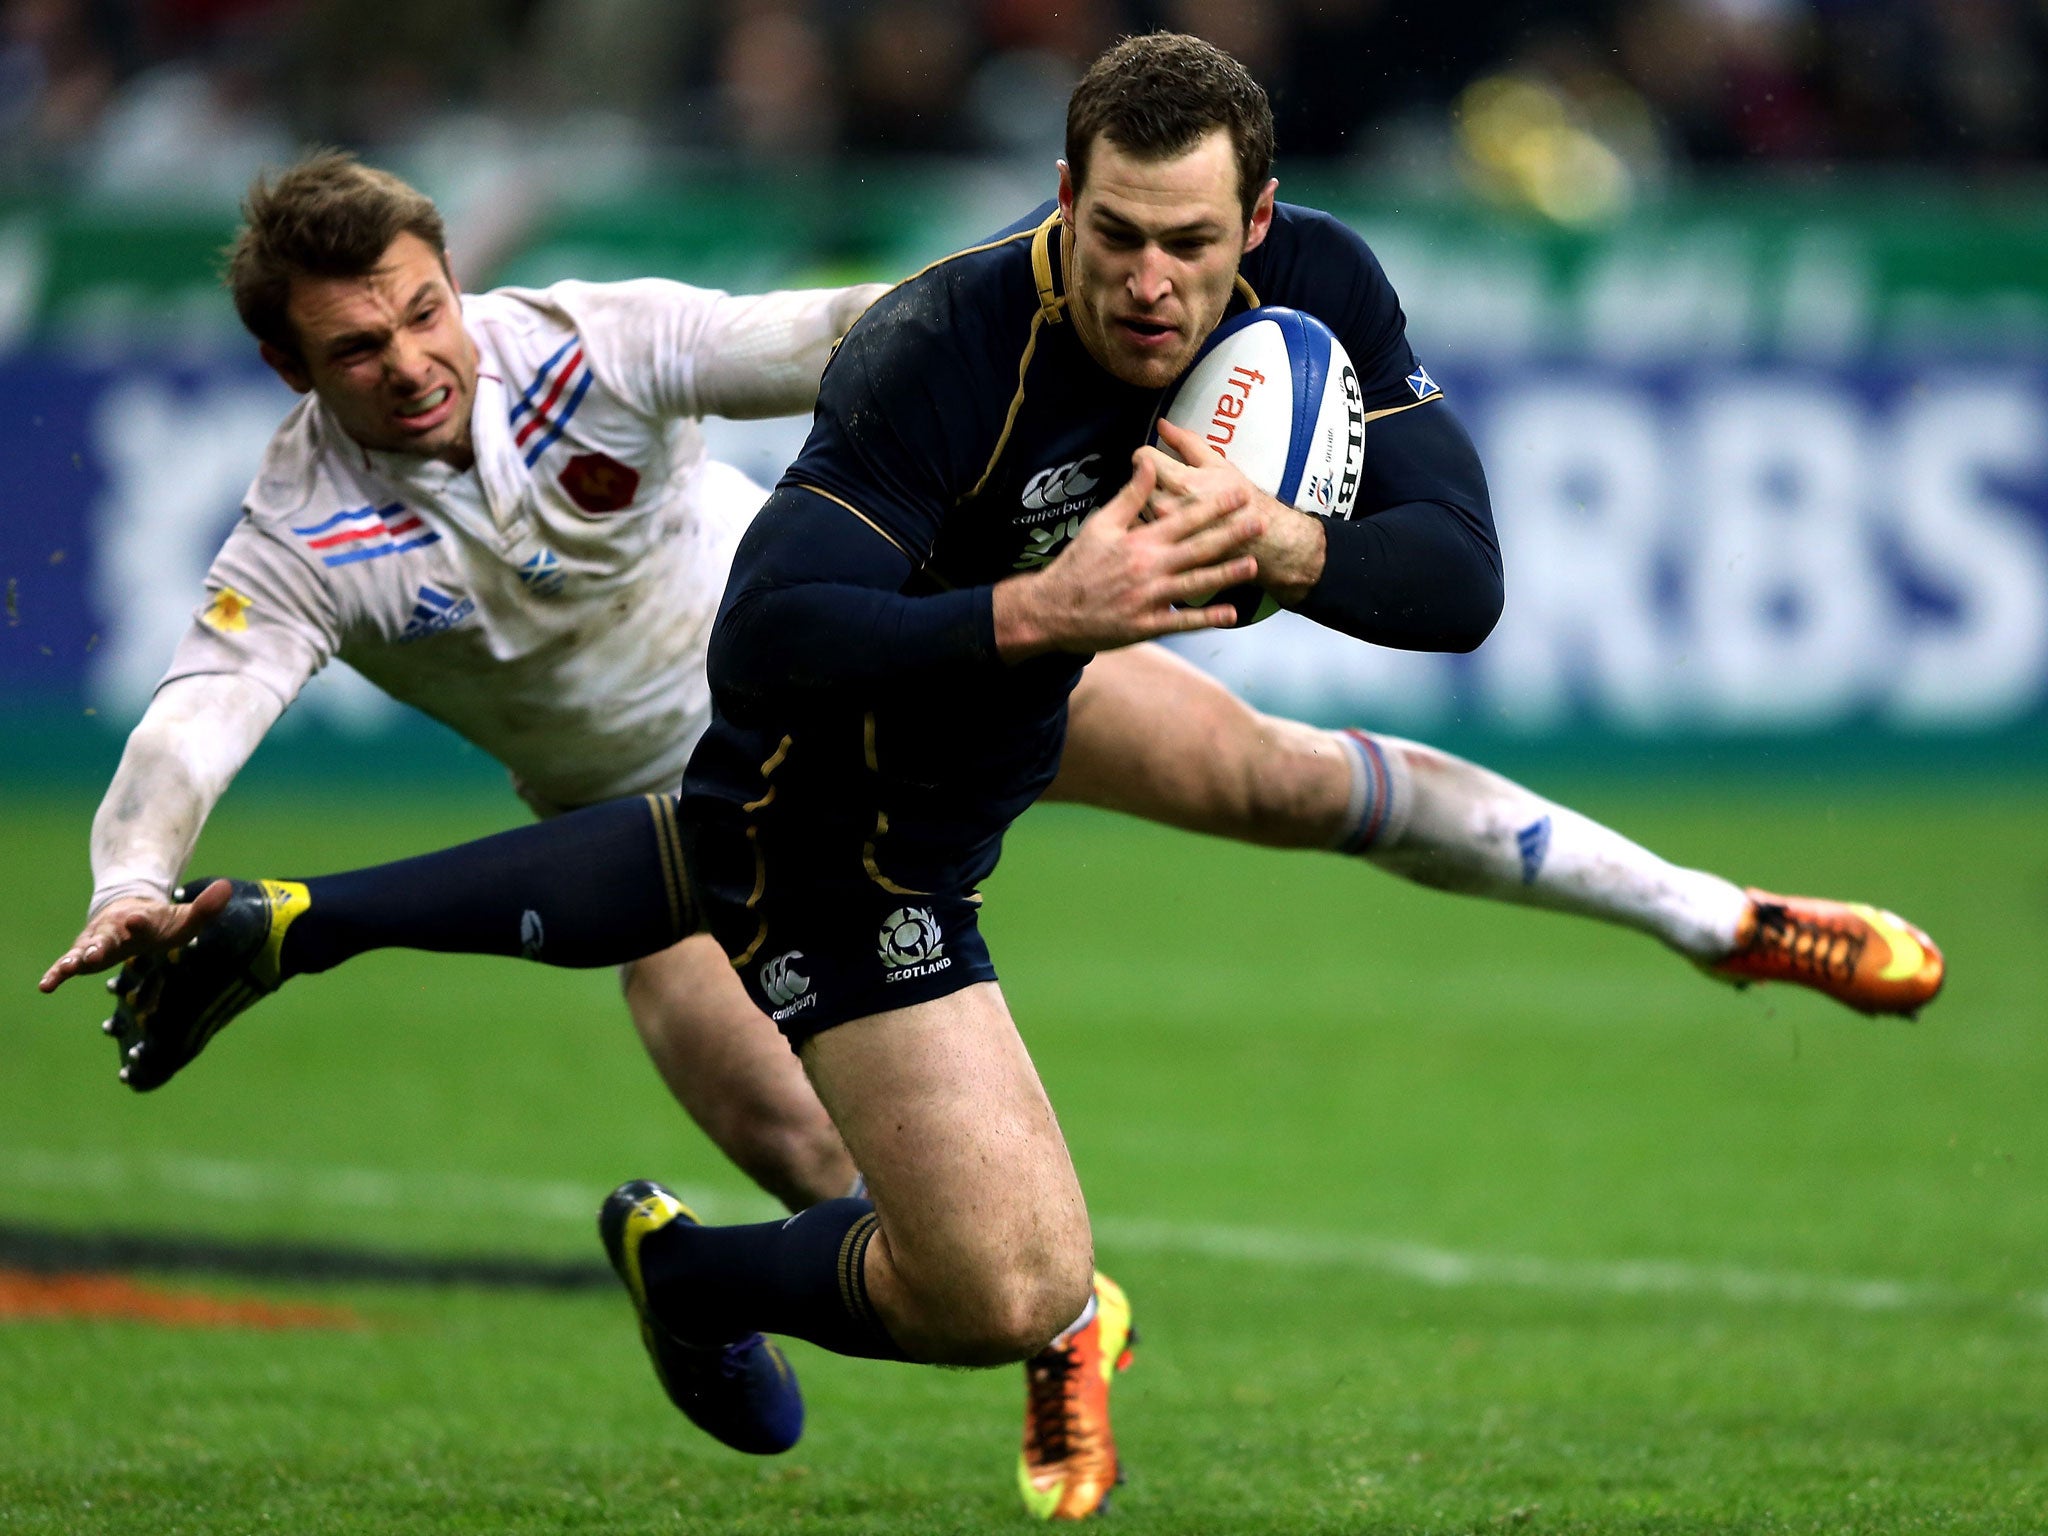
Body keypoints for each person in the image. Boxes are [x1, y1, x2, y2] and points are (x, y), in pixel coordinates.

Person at [39, 84, 1944, 1518]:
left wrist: (1076, 349)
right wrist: (138, 868)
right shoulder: (299, 537)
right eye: (360, 347)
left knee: (1278, 777)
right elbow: (201, 713)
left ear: (455, 279)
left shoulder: (585, 348)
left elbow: (824, 336)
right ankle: (1042, 1324)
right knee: (838, 1177)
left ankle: (1712, 915)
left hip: (949, 656)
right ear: (292, 369)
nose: (414, 358)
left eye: (423, 309)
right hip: (734, 786)